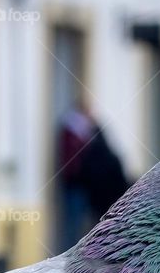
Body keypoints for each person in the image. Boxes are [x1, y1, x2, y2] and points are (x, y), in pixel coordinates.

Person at [56, 101, 130, 250]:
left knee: (78, 224)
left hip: (86, 189)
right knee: (76, 224)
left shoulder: (84, 134)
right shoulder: (78, 133)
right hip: (79, 186)